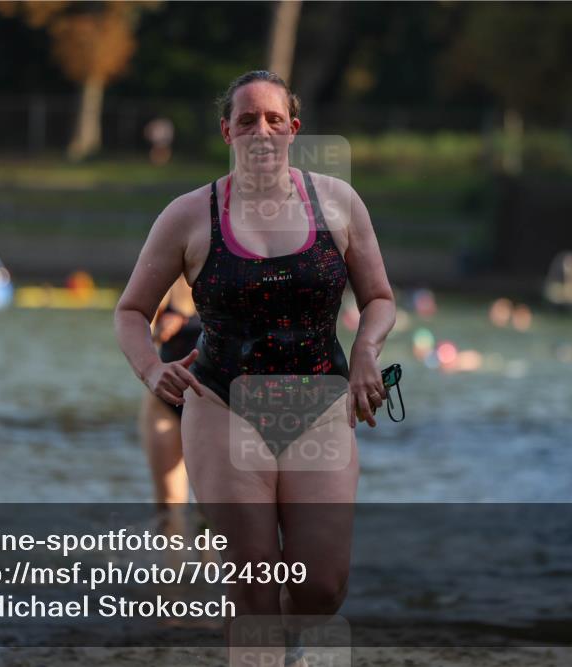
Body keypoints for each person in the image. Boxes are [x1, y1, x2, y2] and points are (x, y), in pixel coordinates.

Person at [115, 70, 396, 665]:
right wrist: (149, 370)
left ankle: (288, 645)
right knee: (253, 583)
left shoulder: (338, 203)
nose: (260, 131)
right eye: (246, 120)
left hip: (319, 405)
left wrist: (366, 353)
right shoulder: (189, 215)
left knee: (322, 587)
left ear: (294, 128)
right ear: (227, 132)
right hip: (223, 405)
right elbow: (131, 311)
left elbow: (379, 299)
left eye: (273, 119)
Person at [139, 275, 201, 509]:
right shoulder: (168, 277)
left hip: (213, 405)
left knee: (212, 505)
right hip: (166, 404)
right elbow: (139, 330)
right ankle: (172, 533)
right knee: (168, 504)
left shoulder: (230, 278)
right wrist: (160, 331)